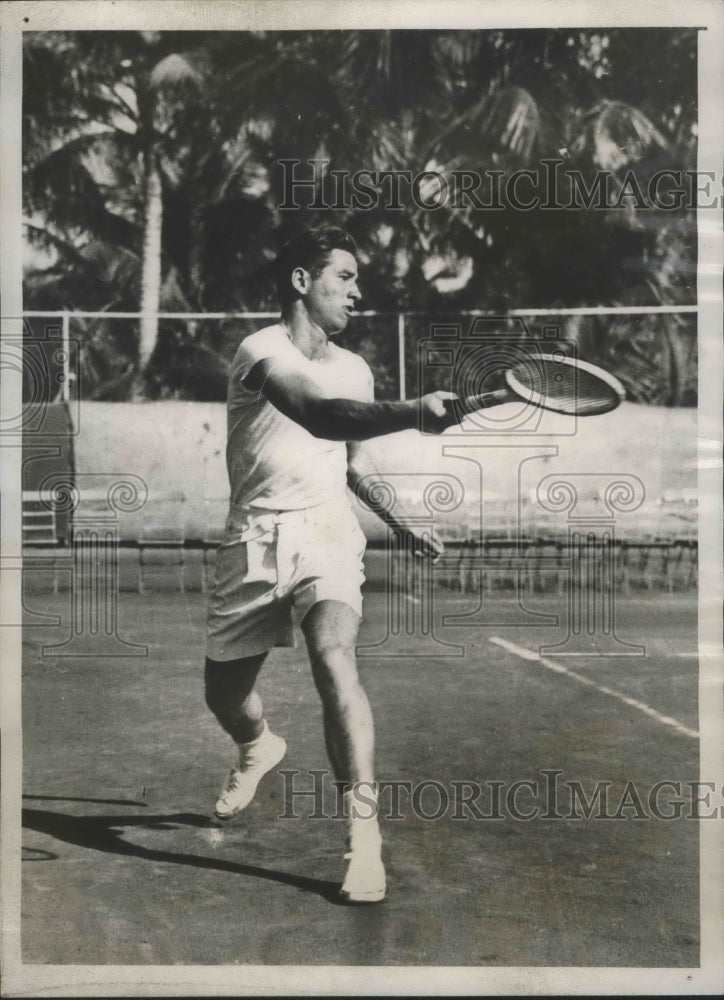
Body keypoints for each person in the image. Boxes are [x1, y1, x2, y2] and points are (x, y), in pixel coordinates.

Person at [204, 224, 460, 903]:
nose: (357, 290)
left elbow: (351, 461)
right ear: (301, 282)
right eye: (344, 277)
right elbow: (318, 413)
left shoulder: (356, 366)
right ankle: (257, 746)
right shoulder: (260, 350)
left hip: (327, 533)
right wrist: (412, 411)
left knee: (333, 658)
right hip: (254, 537)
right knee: (224, 697)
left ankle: (363, 843)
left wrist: (402, 523)